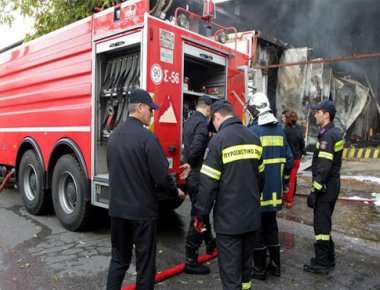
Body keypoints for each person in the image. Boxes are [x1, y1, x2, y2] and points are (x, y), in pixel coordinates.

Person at [106, 88, 185, 290]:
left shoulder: (113, 136)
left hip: (117, 212)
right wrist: (175, 192)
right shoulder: (147, 138)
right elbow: (161, 177)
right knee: (145, 264)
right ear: (140, 108)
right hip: (142, 213)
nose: (152, 113)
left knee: (118, 260)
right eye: (150, 109)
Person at [195, 100, 264, 290]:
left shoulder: (218, 142)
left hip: (228, 222)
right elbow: (261, 180)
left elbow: (208, 186)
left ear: (217, 117)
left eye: (214, 123)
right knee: (245, 270)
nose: (214, 127)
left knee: (231, 275)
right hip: (251, 218)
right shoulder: (254, 138)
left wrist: (201, 215)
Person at [247, 92, 293, 280]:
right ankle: (275, 266)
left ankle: (259, 269)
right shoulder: (280, 131)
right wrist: (284, 183)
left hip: (258, 193)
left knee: (257, 230)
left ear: (256, 110)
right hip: (274, 193)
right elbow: (289, 159)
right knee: (271, 227)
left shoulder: (254, 131)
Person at [303, 99, 344, 274]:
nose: (315, 114)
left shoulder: (328, 135)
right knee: (325, 223)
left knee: (321, 227)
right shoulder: (333, 132)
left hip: (326, 188)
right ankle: (328, 258)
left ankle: (322, 263)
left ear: (326, 114)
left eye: (318, 112)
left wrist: (315, 189)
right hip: (332, 185)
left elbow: (324, 166)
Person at [182, 95, 216, 275]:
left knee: (201, 212)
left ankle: (210, 242)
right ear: (209, 108)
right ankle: (190, 258)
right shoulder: (202, 124)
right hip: (198, 173)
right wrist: (191, 162)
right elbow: (196, 149)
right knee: (198, 214)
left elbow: (186, 146)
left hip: (191, 176)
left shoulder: (188, 121)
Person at [283, 111, 306, 208]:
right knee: (292, 179)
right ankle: (289, 200)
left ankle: (286, 199)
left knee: (285, 179)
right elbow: (302, 143)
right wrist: (303, 153)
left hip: (288, 158)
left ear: (287, 119)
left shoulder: (285, 131)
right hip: (297, 158)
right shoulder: (299, 129)